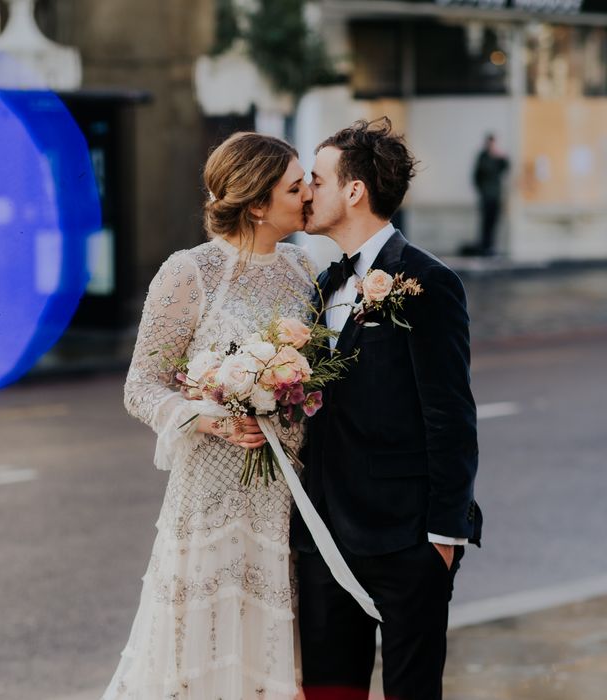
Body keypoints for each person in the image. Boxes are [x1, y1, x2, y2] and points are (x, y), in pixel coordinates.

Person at [102, 132, 316, 699]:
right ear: (256, 204)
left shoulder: (304, 270)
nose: (309, 195)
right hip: (212, 496)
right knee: (203, 647)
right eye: (296, 187)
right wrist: (216, 417)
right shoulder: (189, 272)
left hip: (288, 495)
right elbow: (141, 386)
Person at [293, 117, 483, 700]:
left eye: (316, 180)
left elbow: (450, 415)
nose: (305, 192)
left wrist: (443, 538)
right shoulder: (321, 284)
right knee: (330, 694)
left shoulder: (428, 281)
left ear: (354, 192)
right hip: (323, 539)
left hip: (406, 541)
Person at [472, 133, 509, 256]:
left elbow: (506, 167)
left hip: (496, 196)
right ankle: (484, 247)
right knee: (485, 223)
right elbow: (476, 176)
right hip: (486, 196)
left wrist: (502, 157)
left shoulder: (498, 157)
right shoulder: (483, 156)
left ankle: (491, 247)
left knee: (494, 222)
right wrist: (481, 190)